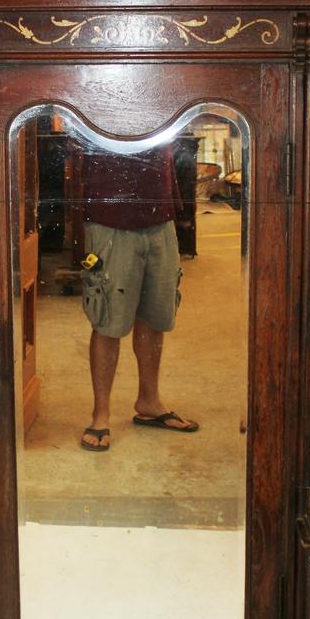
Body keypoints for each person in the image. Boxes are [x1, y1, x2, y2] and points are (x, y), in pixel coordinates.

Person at [79, 143, 199, 452]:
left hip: (159, 211)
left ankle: (149, 401)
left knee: (156, 314)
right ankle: (100, 414)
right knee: (108, 320)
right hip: (111, 214)